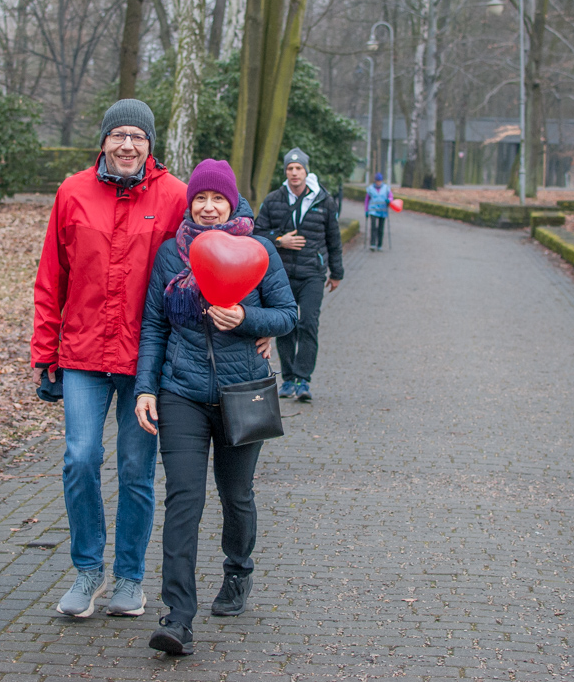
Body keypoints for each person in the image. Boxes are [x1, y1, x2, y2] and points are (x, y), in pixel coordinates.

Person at [30, 99, 186, 619]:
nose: (127, 145)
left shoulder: (176, 197)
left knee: (136, 469)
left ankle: (130, 578)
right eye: (118, 134)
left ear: (150, 145)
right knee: (80, 458)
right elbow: (52, 277)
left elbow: (221, 237)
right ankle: (87, 570)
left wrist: (252, 314)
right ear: (102, 141)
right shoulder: (72, 192)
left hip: (146, 360)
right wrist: (44, 351)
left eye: (138, 136)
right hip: (82, 353)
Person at [134, 159, 297, 656]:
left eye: (217, 199)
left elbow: (288, 316)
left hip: (241, 394)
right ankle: (177, 618)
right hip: (180, 392)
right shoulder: (169, 254)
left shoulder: (260, 250)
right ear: (191, 203)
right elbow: (155, 327)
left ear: (232, 202)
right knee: (184, 499)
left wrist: (247, 318)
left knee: (236, 495)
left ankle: (238, 571)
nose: (208, 207)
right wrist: (146, 387)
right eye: (200, 198)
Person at [253, 147, 344, 403]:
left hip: (312, 274)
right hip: (281, 274)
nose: (294, 173)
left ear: (306, 171)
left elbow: (334, 239)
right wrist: (280, 241)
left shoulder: (323, 200)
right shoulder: (274, 199)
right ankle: (289, 379)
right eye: (290, 169)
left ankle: (304, 379)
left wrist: (337, 273)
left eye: (298, 168)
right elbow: (257, 233)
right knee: (286, 326)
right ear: (286, 172)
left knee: (308, 324)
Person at [364, 172, 392, 251]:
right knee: (373, 228)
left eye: (380, 181)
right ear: (375, 181)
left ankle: (379, 245)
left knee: (381, 228)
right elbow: (366, 200)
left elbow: (391, 197)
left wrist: (389, 201)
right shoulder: (370, 189)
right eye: (377, 181)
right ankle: (372, 244)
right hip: (373, 211)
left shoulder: (386, 188)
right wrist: (366, 210)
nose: (378, 183)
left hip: (383, 211)